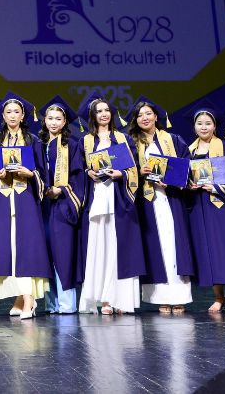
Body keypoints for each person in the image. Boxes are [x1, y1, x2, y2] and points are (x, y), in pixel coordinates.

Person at [76, 92, 144, 315]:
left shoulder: (123, 138)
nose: (104, 114)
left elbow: (134, 168)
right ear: (92, 116)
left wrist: (121, 174)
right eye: (99, 111)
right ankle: (105, 299)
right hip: (98, 198)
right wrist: (88, 172)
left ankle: (120, 299)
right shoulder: (86, 141)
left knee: (119, 247)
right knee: (101, 249)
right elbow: (78, 170)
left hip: (120, 198)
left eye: (107, 110)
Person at [0, 92, 50, 319]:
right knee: (9, 248)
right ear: (3, 116)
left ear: (23, 116)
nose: (12, 116)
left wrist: (30, 174)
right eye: (8, 112)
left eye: (16, 112)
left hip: (26, 198)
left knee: (27, 247)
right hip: (4, 199)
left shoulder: (33, 141)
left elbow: (43, 173)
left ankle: (29, 301)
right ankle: (19, 298)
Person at [128, 97, 193, 314]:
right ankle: (160, 298)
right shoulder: (132, 143)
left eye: (148, 113)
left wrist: (172, 180)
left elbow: (187, 167)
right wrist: (139, 171)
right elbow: (126, 171)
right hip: (147, 201)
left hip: (172, 198)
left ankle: (179, 296)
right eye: (140, 115)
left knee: (174, 245)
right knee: (155, 246)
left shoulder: (173, 140)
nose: (144, 118)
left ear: (156, 116)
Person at [183, 100, 225, 315]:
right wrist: (188, 185)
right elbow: (183, 177)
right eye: (199, 123)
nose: (203, 127)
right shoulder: (188, 151)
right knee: (207, 250)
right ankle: (219, 297)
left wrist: (216, 187)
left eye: (208, 123)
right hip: (199, 206)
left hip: (221, 205)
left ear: (215, 126)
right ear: (194, 127)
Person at [37, 96, 85, 315]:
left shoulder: (72, 145)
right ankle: (51, 304)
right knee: (44, 254)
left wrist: (61, 190)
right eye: (50, 118)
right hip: (41, 207)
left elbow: (78, 177)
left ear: (65, 122)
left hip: (63, 207)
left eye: (58, 118)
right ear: (44, 120)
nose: (54, 122)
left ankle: (66, 304)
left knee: (63, 254)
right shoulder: (37, 145)